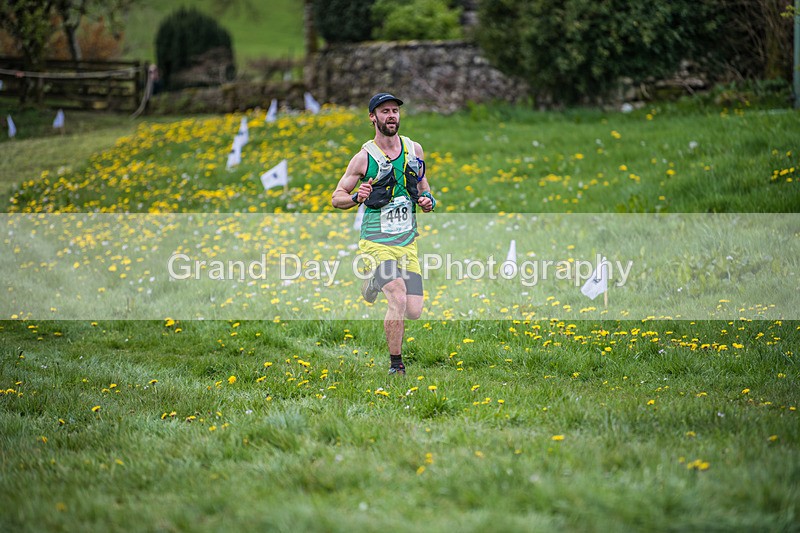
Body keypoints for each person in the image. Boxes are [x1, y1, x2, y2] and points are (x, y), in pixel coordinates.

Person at [332, 92, 437, 376]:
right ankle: (396, 365)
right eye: (385, 111)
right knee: (398, 297)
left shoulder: (414, 149)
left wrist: (428, 201)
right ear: (373, 118)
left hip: (407, 242)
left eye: (395, 111)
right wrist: (356, 198)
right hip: (376, 242)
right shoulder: (364, 159)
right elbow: (336, 197)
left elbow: (424, 185)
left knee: (414, 310)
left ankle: (372, 282)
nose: (391, 116)